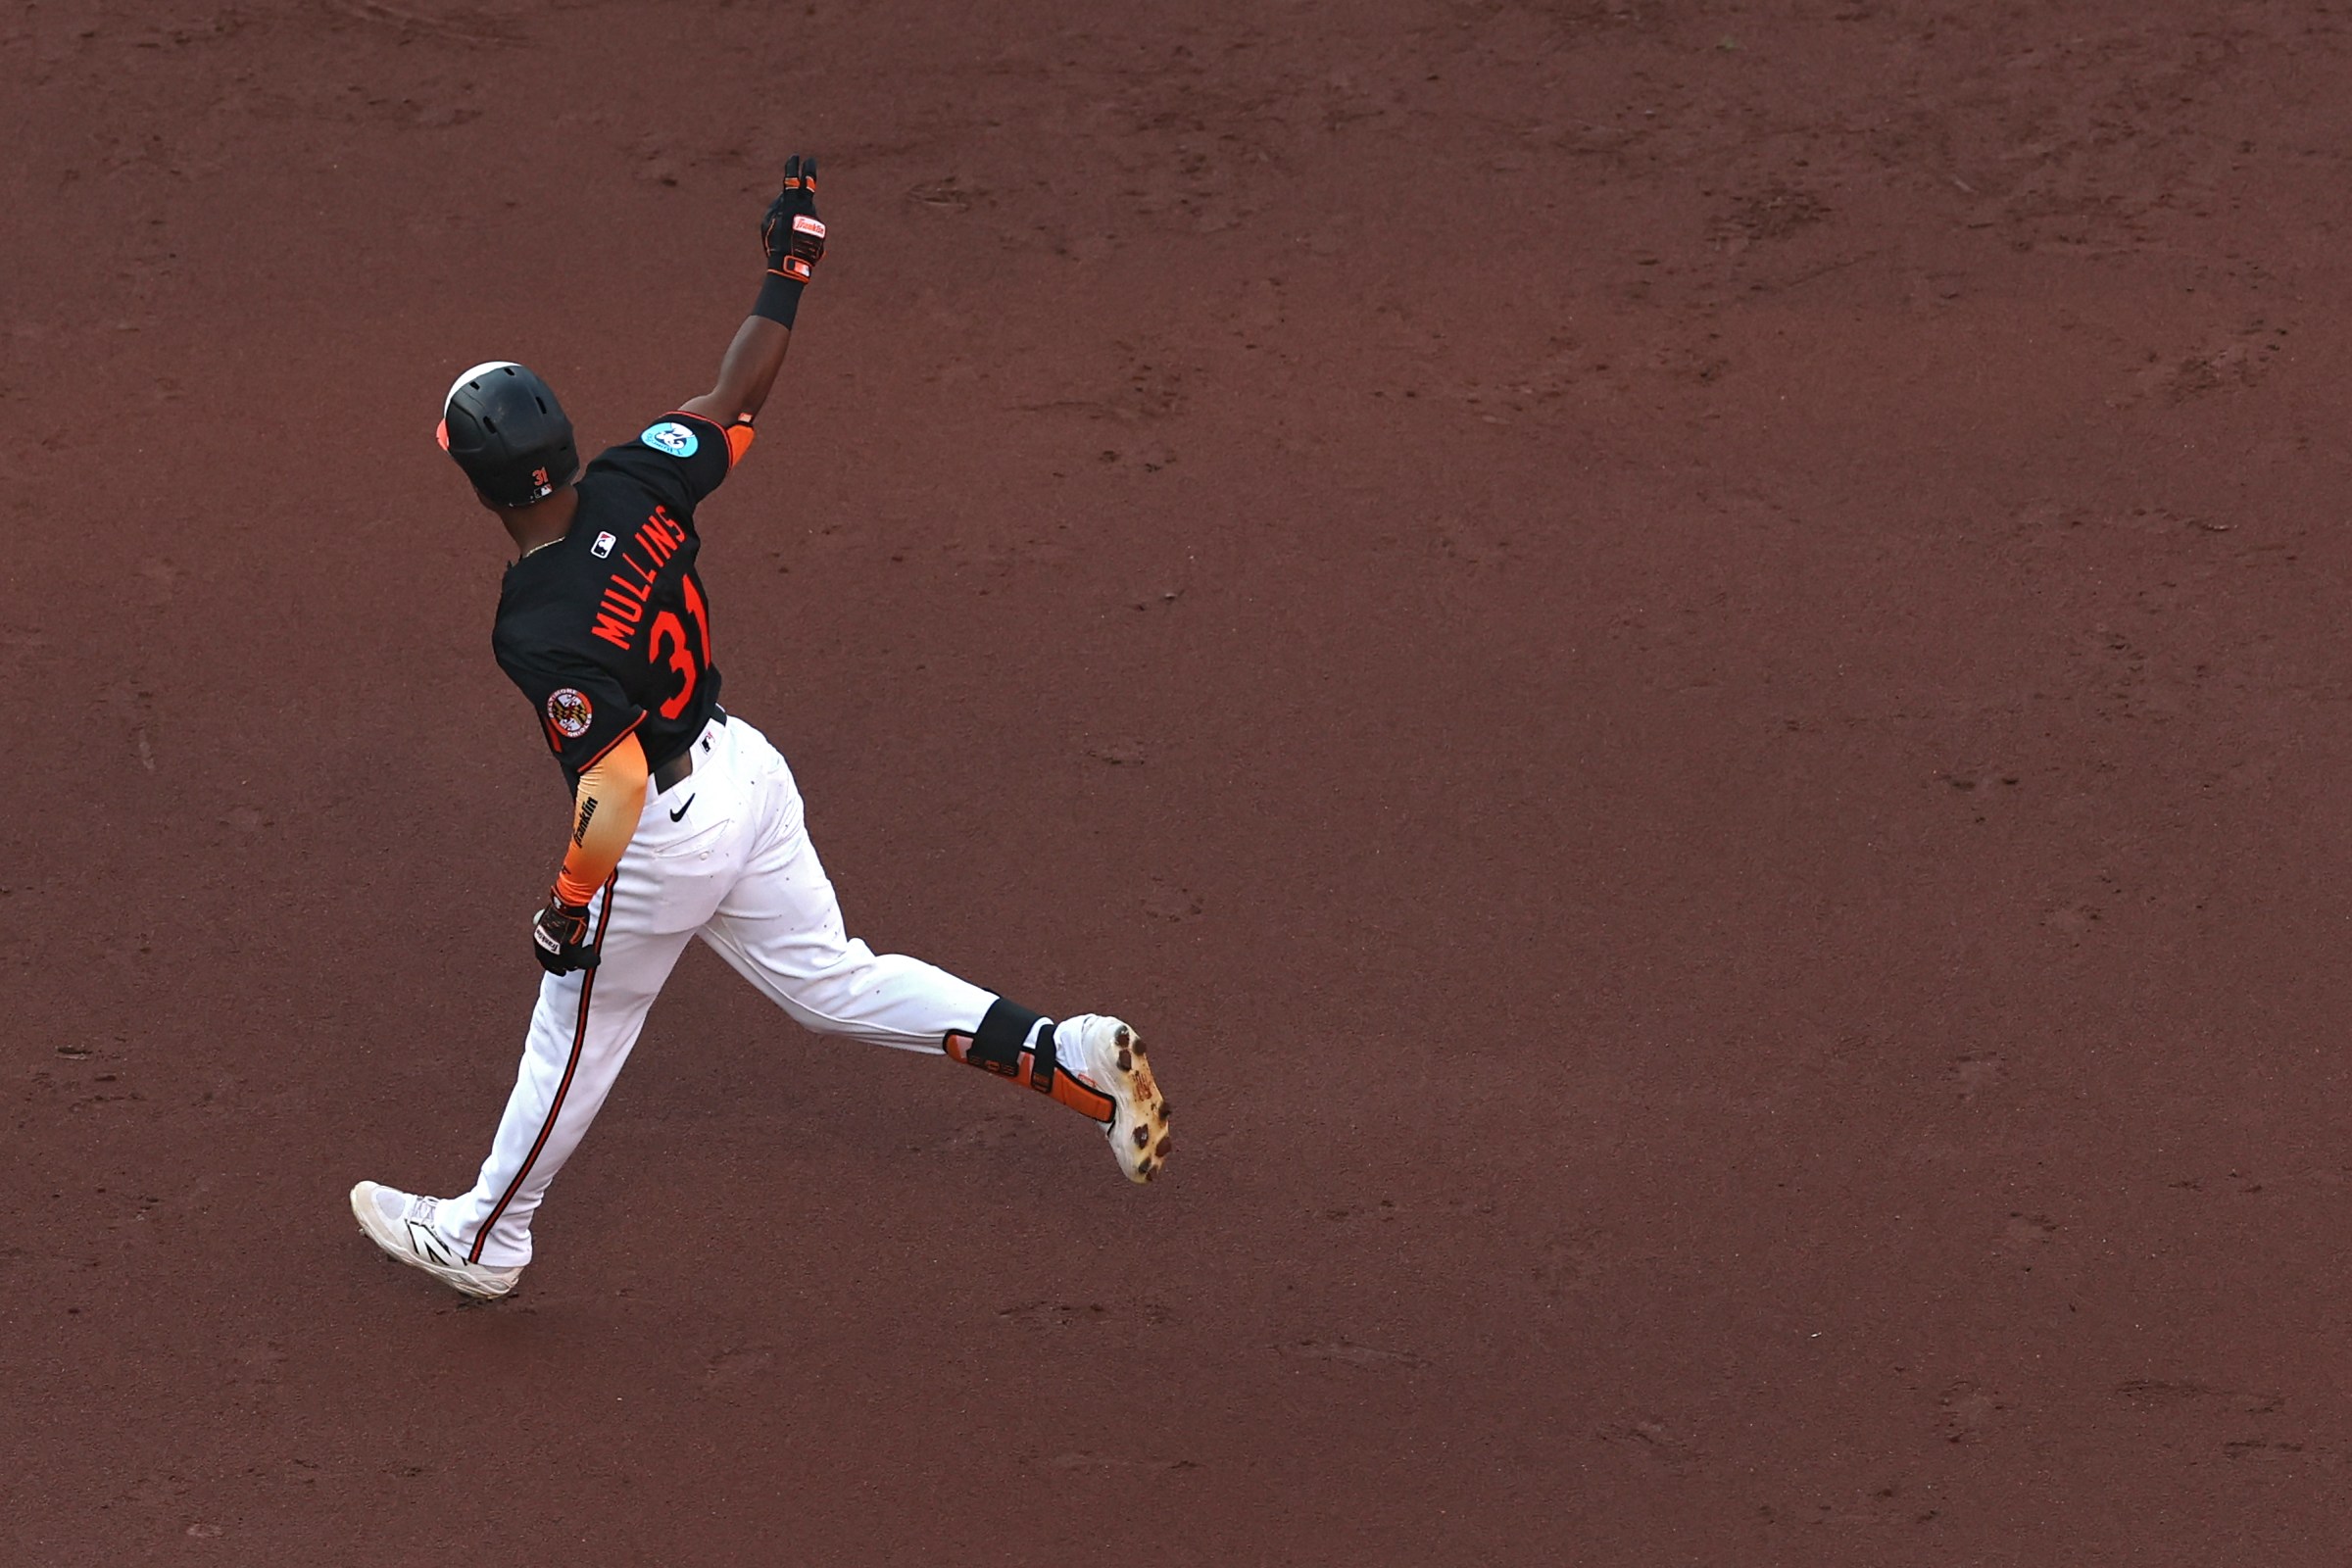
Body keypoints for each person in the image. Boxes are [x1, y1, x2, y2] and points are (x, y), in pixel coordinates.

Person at [351, 155, 1171, 1301]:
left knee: (572, 1028)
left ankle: (487, 1235)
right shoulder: (636, 479)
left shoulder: (535, 619)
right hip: (746, 774)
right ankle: (1060, 1051)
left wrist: (570, 906)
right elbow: (735, 399)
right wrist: (787, 269)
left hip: (667, 833)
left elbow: (616, 785)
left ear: (479, 484)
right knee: (832, 981)